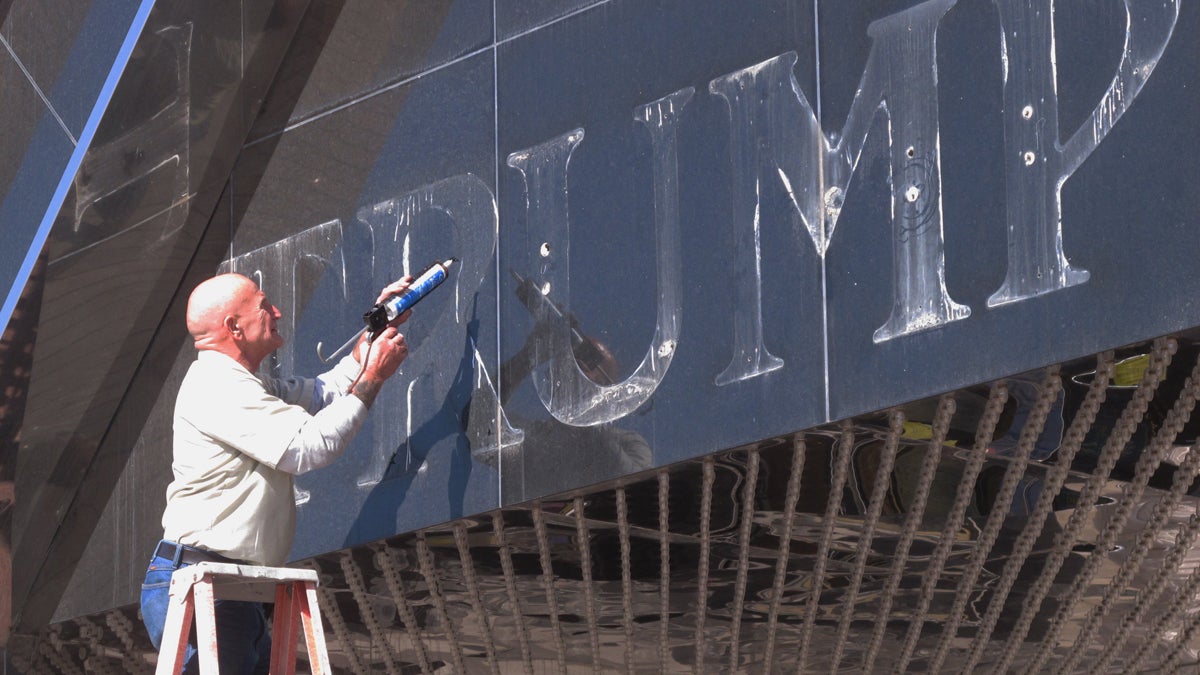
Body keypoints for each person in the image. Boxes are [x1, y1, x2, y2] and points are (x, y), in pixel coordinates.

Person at [139, 272, 412, 674]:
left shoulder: (245, 383)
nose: (277, 312)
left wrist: (373, 336)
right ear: (233, 326)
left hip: (229, 584)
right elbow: (310, 446)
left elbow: (325, 393)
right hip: (205, 585)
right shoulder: (217, 386)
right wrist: (373, 377)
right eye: (264, 305)